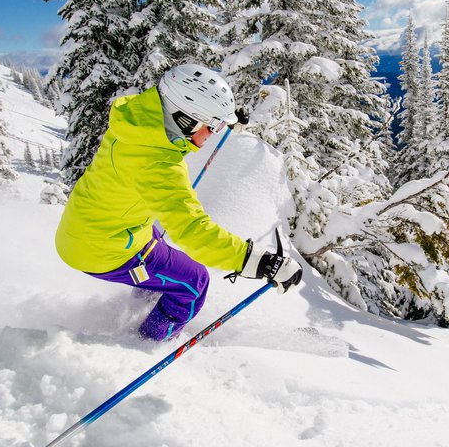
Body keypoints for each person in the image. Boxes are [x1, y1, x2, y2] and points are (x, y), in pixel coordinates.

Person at [54, 64, 303, 342]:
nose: (213, 134)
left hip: (93, 224)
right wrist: (258, 261)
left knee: (161, 244)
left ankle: (149, 296)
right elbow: (192, 230)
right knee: (194, 283)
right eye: (212, 126)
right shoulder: (157, 165)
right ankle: (146, 344)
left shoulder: (139, 120)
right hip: (101, 249)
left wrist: (226, 119)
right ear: (185, 120)